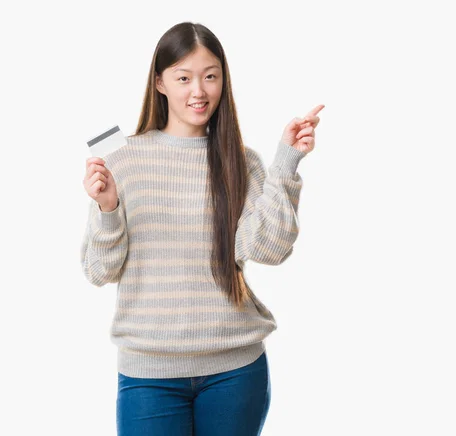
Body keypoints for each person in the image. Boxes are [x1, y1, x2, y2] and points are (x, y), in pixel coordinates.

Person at [80, 21, 324, 436]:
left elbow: (268, 248)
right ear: (159, 82)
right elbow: (97, 270)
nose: (199, 91)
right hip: (148, 374)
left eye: (210, 76)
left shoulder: (241, 160)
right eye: (184, 77)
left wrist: (287, 162)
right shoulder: (120, 156)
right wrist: (108, 209)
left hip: (235, 370)